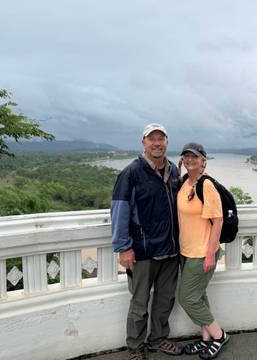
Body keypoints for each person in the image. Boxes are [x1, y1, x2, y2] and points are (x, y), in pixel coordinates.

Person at [111, 123, 182, 360]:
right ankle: (135, 347)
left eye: (161, 139)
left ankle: (158, 339)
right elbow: (120, 211)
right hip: (142, 250)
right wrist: (123, 247)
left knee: (165, 298)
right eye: (152, 139)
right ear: (144, 143)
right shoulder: (131, 173)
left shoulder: (173, 171)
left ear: (167, 143)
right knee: (140, 303)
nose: (157, 143)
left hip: (170, 248)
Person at [177, 142, 230, 360]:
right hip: (186, 250)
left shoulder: (206, 185)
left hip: (202, 251)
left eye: (195, 157)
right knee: (199, 296)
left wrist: (210, 254)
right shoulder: (183, 183)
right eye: (186, 156)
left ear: (202, 161)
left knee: (187, 299)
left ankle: (219, 335)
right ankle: (205, 339)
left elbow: (217, 221)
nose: (190, 160)